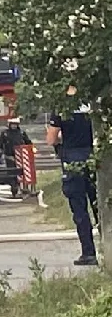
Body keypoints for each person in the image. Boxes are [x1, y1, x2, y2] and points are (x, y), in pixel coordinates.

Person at [47, 100, 99, 266]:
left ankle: (89, 253)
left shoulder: (62, 107)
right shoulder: (94, 101)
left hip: (72, 160)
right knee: (100, 205)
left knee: (79, 209)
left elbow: (51, 139)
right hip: (93, 157)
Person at [0, 117, 33, 196]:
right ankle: (14, 188)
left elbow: (28, 143)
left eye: (15, 124)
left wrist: (30, 152)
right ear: (9, 124)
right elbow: (0, 146)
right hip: (9, 157)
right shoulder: (4, 134)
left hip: (22, 157)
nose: (14, 126)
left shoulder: (21, 133)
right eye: (12, 124)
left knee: (23, 173)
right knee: (12, 174)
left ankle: (25, 188)